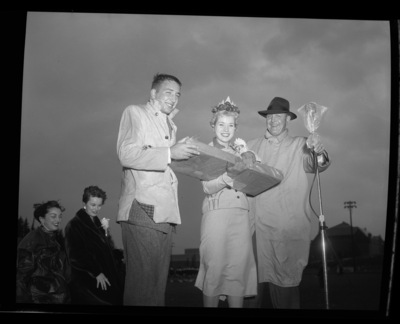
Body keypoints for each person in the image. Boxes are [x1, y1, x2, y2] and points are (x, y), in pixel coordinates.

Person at [116, 73, 199, 306]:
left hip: (164, 213)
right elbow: (127, 154)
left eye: (178, 95)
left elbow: (163, 162)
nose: (174, 98)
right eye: (168, 92)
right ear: (153, 93)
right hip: (143, 208)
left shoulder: (169, 123)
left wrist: (188, 154)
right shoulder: (136, 112)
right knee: (142, 288)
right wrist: (172, 152)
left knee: (155, 289)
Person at [247, 96, 331, 309]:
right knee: (249, 295)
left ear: (288, 119)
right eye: (270, 116)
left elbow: (317, 164)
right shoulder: (250, 146)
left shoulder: (300, 145)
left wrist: (318, 151)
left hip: (285, 232)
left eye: (279, 116)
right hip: (254, 234)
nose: (273, 120)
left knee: (285, 294)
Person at [194, 97, 257, 308]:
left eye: (231, 125)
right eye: (221, 124)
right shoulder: (206, 150)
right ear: (213, 125)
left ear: (235, 128)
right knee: (215, 270)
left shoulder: (242, 152)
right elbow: (207, 187)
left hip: (240, 215)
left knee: (237, 273)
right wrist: (228, 177)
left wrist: (250, 159)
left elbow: (254, 180)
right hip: (216, 214)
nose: (226, 129)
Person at [65, 185, 123, 305]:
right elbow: (76, 255)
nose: (96, 209)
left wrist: (106, 231)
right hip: (88, 281)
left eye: (99, 205)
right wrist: (96, 272)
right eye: (93, 205)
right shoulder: (74, 225)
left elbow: (106, 250)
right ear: (84, 203)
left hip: (105, 277)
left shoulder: (97, 224)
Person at [16, 200, 70, 304]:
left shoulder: (55, 243)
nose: (58, 220)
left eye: (60, 216)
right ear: (41, 219)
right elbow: (21, 279)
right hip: (41, 300)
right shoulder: (31, 241)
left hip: (58, 299)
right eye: (53, 216)